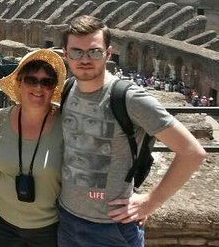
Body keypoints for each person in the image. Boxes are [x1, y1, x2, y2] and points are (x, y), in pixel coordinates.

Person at [58, 15, 206, 247]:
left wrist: (149, 202)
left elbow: (192, 152)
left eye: (94, 52)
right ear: (65, 54)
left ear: (108, 54)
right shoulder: (67, 89)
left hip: (112, 229)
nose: (85, 59)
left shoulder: (129, 98)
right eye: (76, 52)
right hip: (67, 219)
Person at [0, 49, 66, 247]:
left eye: (46, 81)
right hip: (2, 223)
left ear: (53, 87)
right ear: (19, 82)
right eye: (31, 80)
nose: (38, 87)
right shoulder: (0, 119)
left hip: (50, 228)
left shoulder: (66, 124)